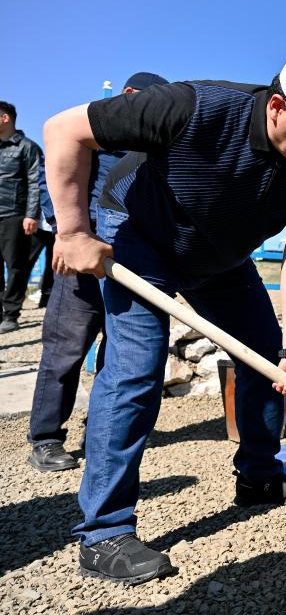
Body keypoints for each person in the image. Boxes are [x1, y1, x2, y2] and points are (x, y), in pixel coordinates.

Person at [45, 56, 286, 585]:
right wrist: (74, 231)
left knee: (263, 354)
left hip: (221, 253)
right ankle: (104, 533)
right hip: (141, 236)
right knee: (135, 371)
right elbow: (63, 130)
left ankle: (259, 478)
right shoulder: (191, 107)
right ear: (278, 108)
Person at [26, 73, 169, 474]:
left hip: (131, 261)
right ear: (128, 96)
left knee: (121, 351)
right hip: (84, 257)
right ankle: (46, 438)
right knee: (66, 347)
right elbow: (52, 180)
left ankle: (101, 430)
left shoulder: (154, 148)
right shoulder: (90, 129)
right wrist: (65, 232)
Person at [0, 101, 43, 334]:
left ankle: (11, 313)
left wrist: (31, 215)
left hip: (15, 215)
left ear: (5, 118)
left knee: (16, 265)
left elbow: (36, 183)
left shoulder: (28, 147)